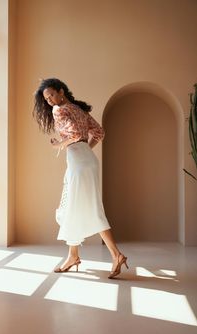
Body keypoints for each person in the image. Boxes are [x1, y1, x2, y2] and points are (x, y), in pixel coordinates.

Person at [33, 78, 128, 279]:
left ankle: (115, 254)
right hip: (87, 160)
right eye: (46, 98)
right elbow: (99, 132)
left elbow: (75, 133)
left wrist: (59, 145)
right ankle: (73, 256)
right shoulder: (78, 109)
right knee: (73, 208)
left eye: (51, 94)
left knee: (88, 208)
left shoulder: (59, 110)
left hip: (79, 161)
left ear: (61, 91)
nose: (49, 100)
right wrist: (84, 149)